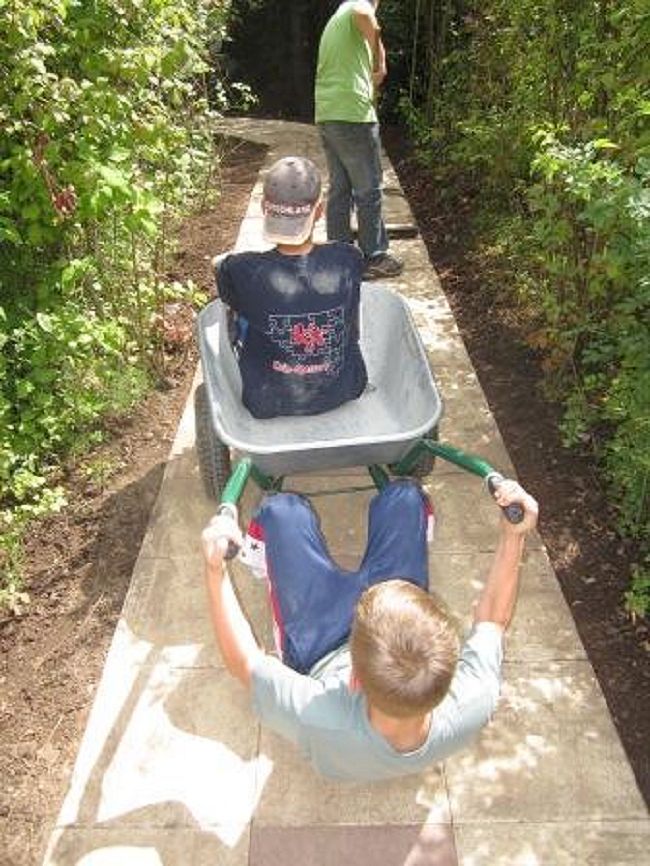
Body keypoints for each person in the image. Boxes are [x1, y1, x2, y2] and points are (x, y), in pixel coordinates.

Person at [201, 476, 539, 782]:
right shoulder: (472, 702)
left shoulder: (319, 718)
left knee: (282, 511)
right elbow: (493, 619)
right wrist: (514, 535)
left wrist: (214, 569)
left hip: (319, 645)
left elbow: (243, 662)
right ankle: (412, 525)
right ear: (449, 671)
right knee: (404, 497)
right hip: (391, 622)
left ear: (353, 679)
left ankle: (263, 553)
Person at [213, 155, 368, 420]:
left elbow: (220, 270)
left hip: (267, 399)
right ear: (318, 213)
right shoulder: (348, 258)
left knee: (241, 308)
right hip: (344, 388)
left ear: (264, 208)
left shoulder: (242, 268)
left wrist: (224, 265)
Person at [315, 0, 403, 281]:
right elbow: (366, 14)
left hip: (328, 112)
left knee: (340, 188)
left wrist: (375, 64)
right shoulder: (358, 7)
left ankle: (338, 255)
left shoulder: (338, 17)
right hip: (352, 115)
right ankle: (373, 256)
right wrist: (380, 62)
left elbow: (366, 21)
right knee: (369, 188)